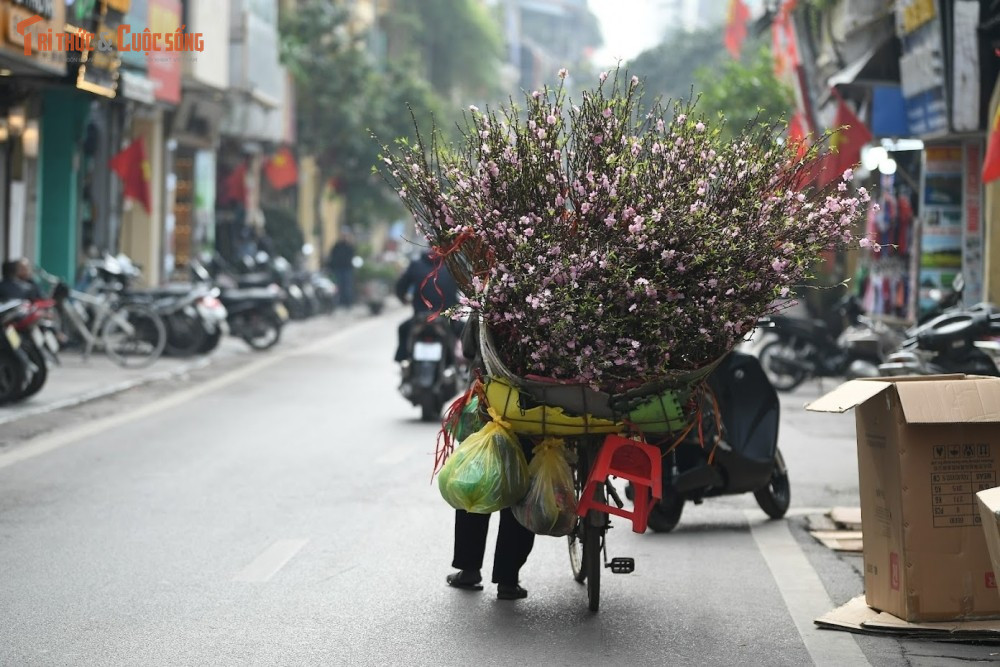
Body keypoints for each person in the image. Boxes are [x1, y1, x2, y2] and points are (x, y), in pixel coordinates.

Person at [445, 316, 535, 600]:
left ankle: (470, 569)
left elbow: (470, 347)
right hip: (536, 410)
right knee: (521, 489)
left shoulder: (488, 303)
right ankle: (508, 580)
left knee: (476, 479)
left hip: (491, 405)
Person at [393, 248, 460, 362]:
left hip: (420, 319)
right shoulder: (452, 267)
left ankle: (403, 360)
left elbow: (400, 288)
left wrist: (404, 299)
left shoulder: (415, 265)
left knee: (402, 328)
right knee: (466, 331)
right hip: (447, 320)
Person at [327, 232, 357, 307]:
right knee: (338, 287)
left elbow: (353, 257)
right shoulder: (337, 246)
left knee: (347, 287)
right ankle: (339, 303)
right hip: (338, 269)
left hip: (347, 269)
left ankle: (348, 303)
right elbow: (332, 256)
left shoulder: (349, 246)